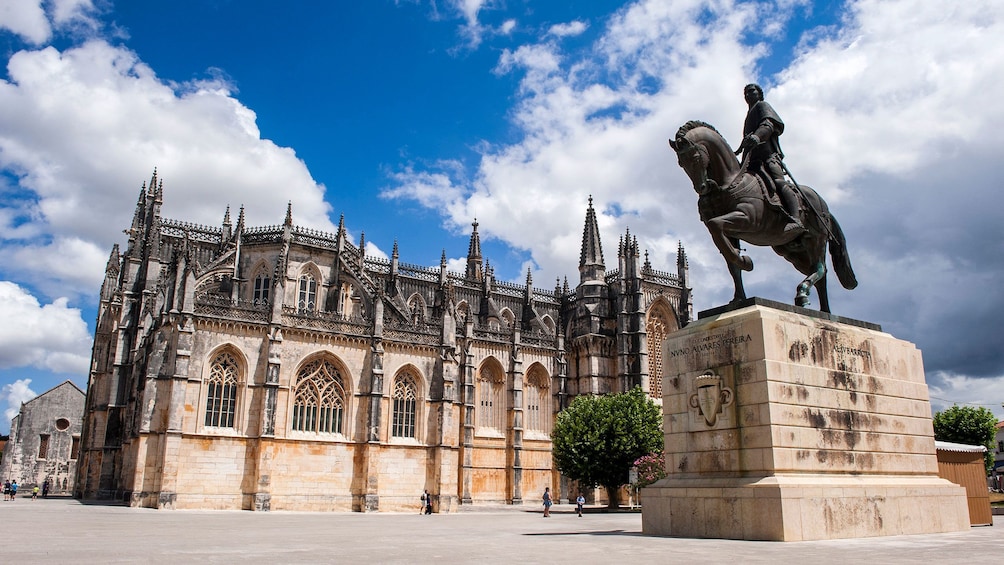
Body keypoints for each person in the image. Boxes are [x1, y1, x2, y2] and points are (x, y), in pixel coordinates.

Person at [738, 83, 805, 236]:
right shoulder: (749, 115)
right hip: (753, 159)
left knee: (779, 182)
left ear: (759, 93)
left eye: (751, 91)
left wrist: (757, 136)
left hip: (768, 156)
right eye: (745, 93)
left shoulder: (762, 106)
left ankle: (796, 219)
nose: (748, 95)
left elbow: (768, 125)